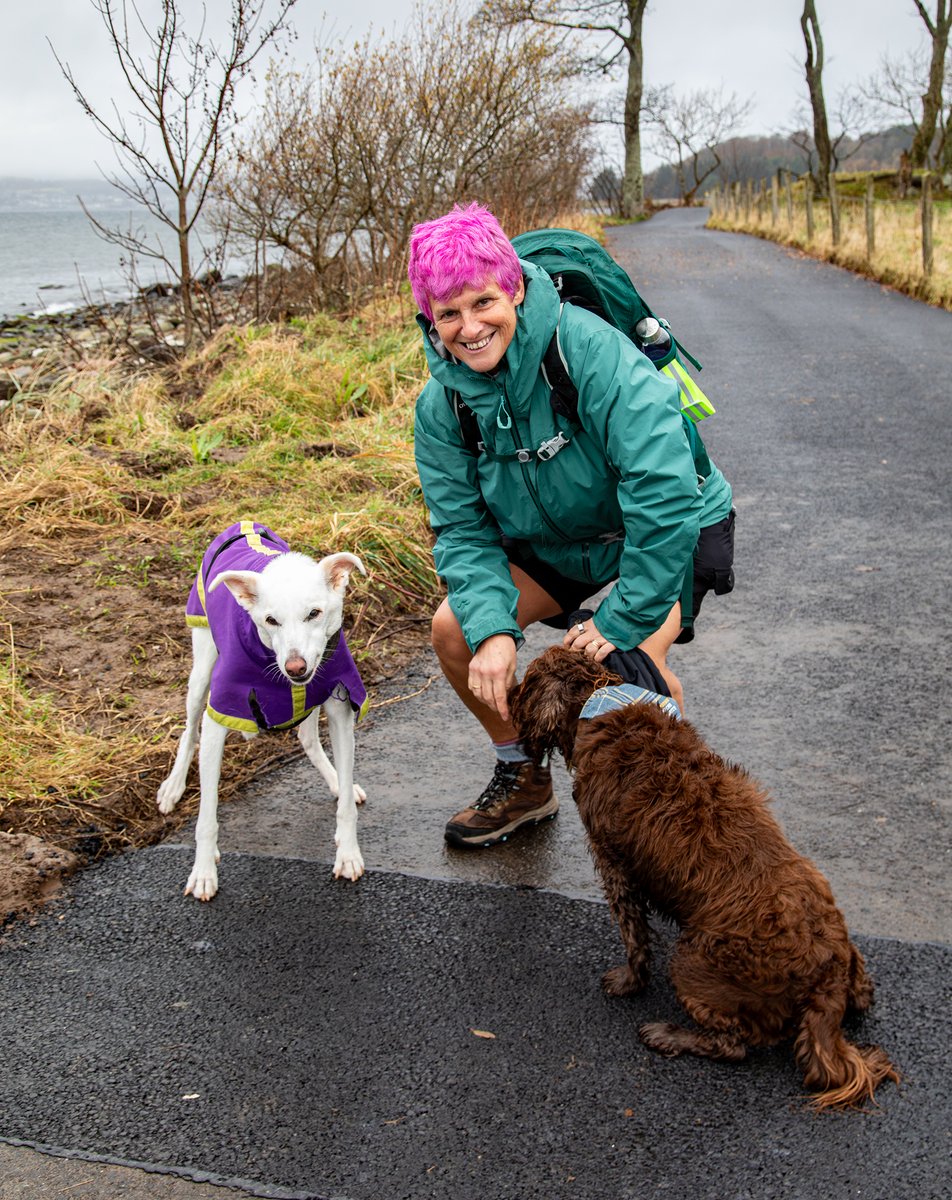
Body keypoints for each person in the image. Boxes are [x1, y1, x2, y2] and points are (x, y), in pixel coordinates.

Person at [408, 203, 734, 849]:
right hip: (557, 543)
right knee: (456, 631)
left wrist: (621, 619)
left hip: (667, 526)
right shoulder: (442, 404)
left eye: (483, 302)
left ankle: (681, 831)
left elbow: (662, 491)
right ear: (430, 320)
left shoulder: (589, 351)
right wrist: (494, 631)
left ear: (516, 289)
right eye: (449, 314)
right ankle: (522, 776)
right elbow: (461, 529)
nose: (469, 328)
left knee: (631, 668)